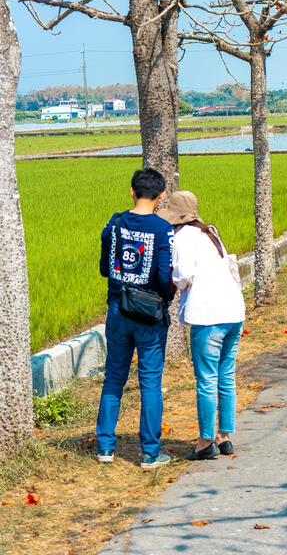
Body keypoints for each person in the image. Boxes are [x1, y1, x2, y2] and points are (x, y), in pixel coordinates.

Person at [96, 168, 175, 468]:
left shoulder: (114, 223)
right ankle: (150, 453)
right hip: (148, 313)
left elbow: (105, 267)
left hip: (117, 309)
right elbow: (165, 275)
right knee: (150, 382)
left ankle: (105, 448)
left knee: (114, 377)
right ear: (161, 195)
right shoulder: (162, 228)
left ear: (132, 191)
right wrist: (165, 298)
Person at [162, 191, 245, 462]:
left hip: (208, 316)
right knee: (226, 375)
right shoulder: (210, 231)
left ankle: (205, 441)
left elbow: (183, 275)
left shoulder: (183, 237)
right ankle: (225, 437)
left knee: (207, 379)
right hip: (233, 312)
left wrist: (172, 281)